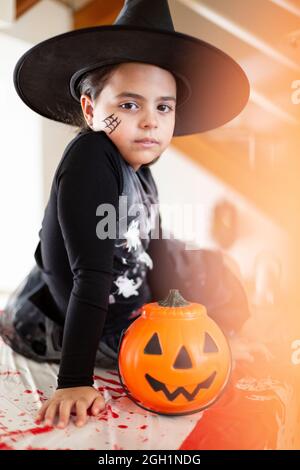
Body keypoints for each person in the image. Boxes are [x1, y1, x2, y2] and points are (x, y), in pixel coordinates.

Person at [0, 0, 250, 428]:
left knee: (207, 267)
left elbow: (152, 248)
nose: (150, 121)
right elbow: (90, 276)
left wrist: (180, 309)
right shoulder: (91, 156)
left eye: (163, 107)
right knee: (187, 340)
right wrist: (74, 379)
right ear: (92, 110)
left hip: (129, 302)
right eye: (130, 106)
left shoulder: (143, 173)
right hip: (80, 314)